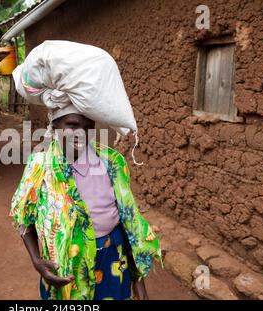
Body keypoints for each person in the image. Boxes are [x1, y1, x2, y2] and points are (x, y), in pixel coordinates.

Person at [10, 106, 162, 300]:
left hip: (112, 257)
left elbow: (129, 222)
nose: (80, 134)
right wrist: (36, 260)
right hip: (68, 266)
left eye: (88, 127)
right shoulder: (40, 166)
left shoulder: (111, 162)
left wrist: (140, 287)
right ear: (55, 126)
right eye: (72, 125)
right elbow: (23, 218)